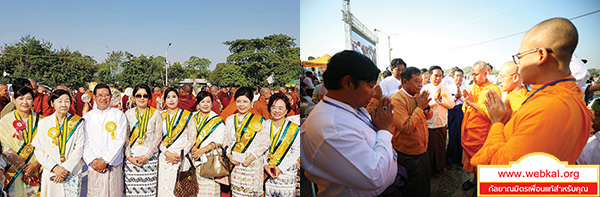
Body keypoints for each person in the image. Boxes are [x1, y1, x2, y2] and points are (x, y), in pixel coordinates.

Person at [471, 18, 591, 167]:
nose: (518, 64)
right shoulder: (570, 94)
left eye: (520, 57)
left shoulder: (549, 109)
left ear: (540, 55)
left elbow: (497, 169)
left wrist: (498, 123)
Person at [301, 50, 398, 196]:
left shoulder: (352, 107)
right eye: (371, 86)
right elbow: (374, 176)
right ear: (348, 83)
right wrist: (384, 130)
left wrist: (378, 127)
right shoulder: (331, 126)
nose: (373, 93)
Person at [32, 89, 85, 196]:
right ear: (52, 103)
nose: (64, 104)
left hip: (71, 171)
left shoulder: (77, 122)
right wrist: (55, 167)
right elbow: (38, 150)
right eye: (59, 101)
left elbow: (80, 148)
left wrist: (66, 169)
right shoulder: (44, 123)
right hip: (52, 171)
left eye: (67, 101)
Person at [391, 67, 432, 196]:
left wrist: (425, 108)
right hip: (408, 155)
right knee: (412, 189)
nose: (420, 85)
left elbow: (428, 115)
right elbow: (406, 127)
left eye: (421, 81)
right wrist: (420, 107)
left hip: (422, 149)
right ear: (405, 82)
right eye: (416, 81)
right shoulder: (397, 99)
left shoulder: (417, 95)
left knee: (424, 185)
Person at [460, 61, 501, 192]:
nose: (474, 77)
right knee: (473, 161)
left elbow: (493, 114)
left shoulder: (494, 90)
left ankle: (483, 186)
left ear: (485, 73)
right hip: (470, 131)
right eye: (472, 74)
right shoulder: (472, 87)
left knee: (484, 161)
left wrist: (472, 104)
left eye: (476, 74)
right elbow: (464, 108)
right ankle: (474, 180)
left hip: (483, 134)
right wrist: (467, 103)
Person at [82, 84, 127, 197]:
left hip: (113, 164)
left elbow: (119, 140)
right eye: (100, 95)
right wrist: (92, 161)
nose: (104, 98)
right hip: (94, 166)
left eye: (107, 95)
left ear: (111, 97)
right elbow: (84, 142)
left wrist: (106, 160)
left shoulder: (118, 115)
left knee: (114, 193)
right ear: (94, 97)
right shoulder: (87, 117)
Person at [224, 87, 268, 196]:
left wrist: (251, 157)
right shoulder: (230, 120)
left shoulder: (259, 120)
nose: (241, 105)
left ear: (251, 102)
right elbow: (225, 141)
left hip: (252, 165)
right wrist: (229, 156)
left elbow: (266, 142)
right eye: (238, 101)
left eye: (245, 101)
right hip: (236, 165)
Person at [0, 87, 43, 196]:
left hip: (35, 170)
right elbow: (4, 146)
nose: (25, 102)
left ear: (33, 101)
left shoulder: (42, 121)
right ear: (14, 100)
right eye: (21, 98)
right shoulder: (5, 120)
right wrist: (23, 167)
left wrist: (35, 165)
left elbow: (47, 147)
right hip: (12, 169)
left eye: (28, 98)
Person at [123, 84, 162, 196]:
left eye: (145, 95)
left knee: (149, 192)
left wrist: (147, 156)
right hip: (132, 159)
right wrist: (129, 157)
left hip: (150, 159)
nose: (142, 98)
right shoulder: (128, 114)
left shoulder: (155, 113)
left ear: (149, 97)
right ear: (134, 97)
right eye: (138, 95)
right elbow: (125, 137)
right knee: (133, 192)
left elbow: (158, 136)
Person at [157, 87, 196, 196]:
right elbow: (157, 137)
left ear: (179, 99)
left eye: (174, 97)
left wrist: (180, 154)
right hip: (165, 157)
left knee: (180, 189)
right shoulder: (160, 115)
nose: (171, 100)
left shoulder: (187, 115)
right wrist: (167, 153)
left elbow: (192, 137)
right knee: (165, 188)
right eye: (168, 97)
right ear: (164, 100)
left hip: (181, 157)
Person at [187, 91, 226, 196]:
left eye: (208, 102)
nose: (205, 104)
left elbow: (219, 141)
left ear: (212, 104)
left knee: (209, 190)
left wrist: (202, 150)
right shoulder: (192, 117)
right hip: (193, 157)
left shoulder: (217, 119)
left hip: (210, 159)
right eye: (202, 101)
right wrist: (192, 148)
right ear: (198, 104)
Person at [263, 93, 300, 197]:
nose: (277, 111)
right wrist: (265, 164)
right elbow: (260, 148)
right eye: (273, 107)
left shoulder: (293, 128)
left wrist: (281, 168)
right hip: (268, 170)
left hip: (286, 172)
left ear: (287, 110)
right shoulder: (264, 125)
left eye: (280, 108)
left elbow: (296, 151)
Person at [422, 65, 454, 177]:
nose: (438, 78)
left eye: (440, 76)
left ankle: (440, 168)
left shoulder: (445, 89)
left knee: (440, 147)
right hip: (429, 124)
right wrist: (434, 101)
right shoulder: (425, 89)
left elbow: (451, 104)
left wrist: (440, 100)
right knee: (429, 149)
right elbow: (422, 106)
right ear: (430, 76)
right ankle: (429, 170)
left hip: (441, 123)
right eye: (436, 76)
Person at [446, 68, 467, 169]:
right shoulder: (448, 88)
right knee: (452, 135)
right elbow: (446, 100)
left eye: (460, 76)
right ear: (453, 77)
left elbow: (468, 101)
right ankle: (450, 159)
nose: (459, 78)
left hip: (461, 112)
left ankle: (460, 160)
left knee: (461, 135)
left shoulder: (466, 87)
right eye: (457, 76)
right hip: (452, 111)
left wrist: (461, 97)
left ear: (463, 77)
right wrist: (456, 98)